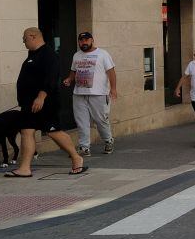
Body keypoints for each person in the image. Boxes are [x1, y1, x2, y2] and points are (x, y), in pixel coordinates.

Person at [6, 28, 86, 177]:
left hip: (45, 102)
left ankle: (76, 158)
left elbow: (52, 78)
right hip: (29, 103)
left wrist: (41, 96)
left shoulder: (48, 55)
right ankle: (24, 168)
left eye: (24, 39)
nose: (23, 42)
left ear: (33, 36)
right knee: (26, 131)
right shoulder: (33, 55)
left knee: (53, 131)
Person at [62, 32, 116, 157]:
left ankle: (108, 140)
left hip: (98, 94)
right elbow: (73, 71)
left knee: (101, 120)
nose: (83, 43)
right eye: (81, 41)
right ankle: (84, 147)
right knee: (81, 121)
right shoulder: (77, 55)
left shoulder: (103, 54)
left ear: (92, 40)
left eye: (86, 40)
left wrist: (113, 89)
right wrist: (69, 79)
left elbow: (111, 72)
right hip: (79, 93)